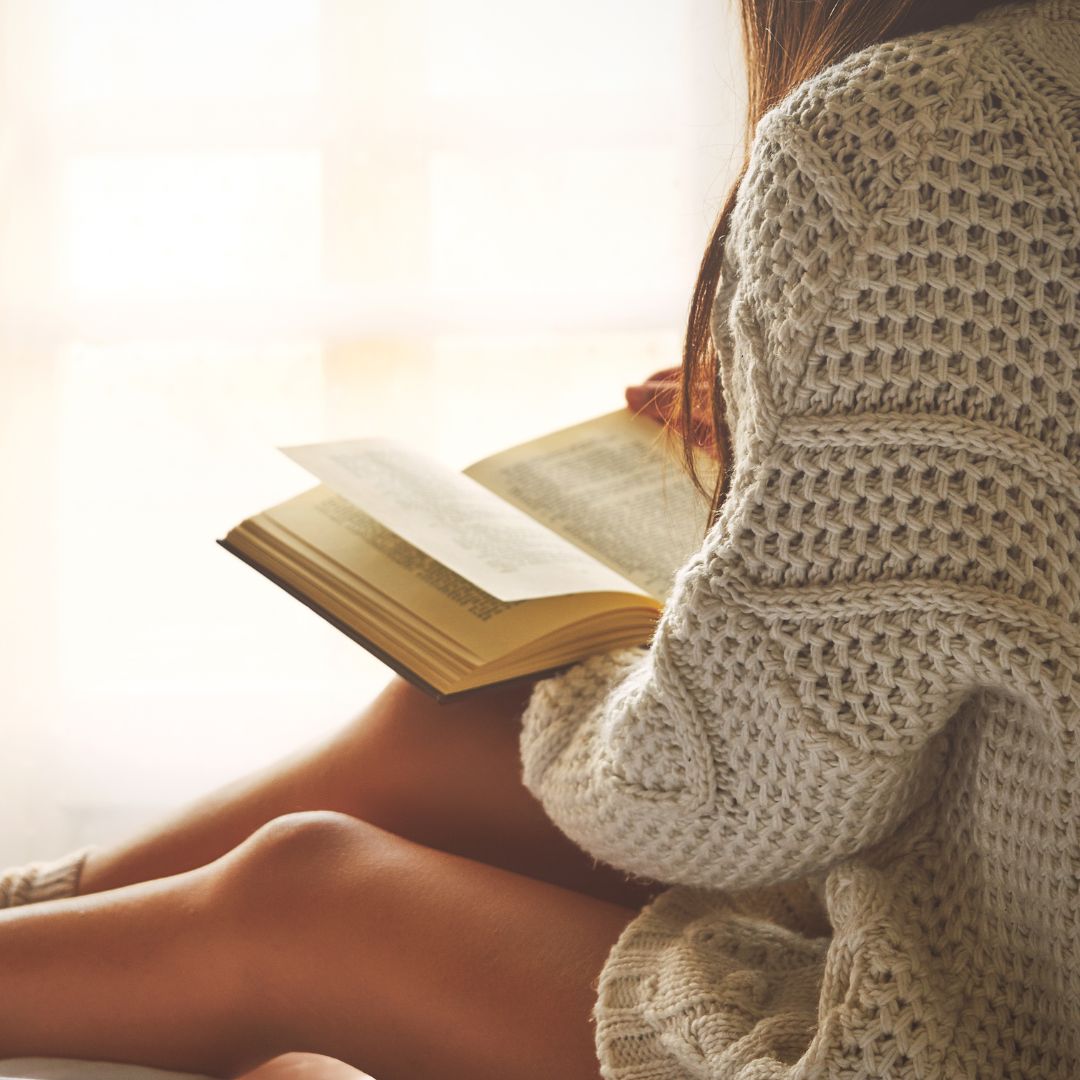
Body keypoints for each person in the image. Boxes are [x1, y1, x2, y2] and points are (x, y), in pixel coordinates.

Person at [2, 0, 1079, 1077]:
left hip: (991, 1032)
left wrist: (572, 668)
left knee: (303, 893)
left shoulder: (929, 131)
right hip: (1011, 918)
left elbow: (723, 796)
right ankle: (34, 909)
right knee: (449, 727)